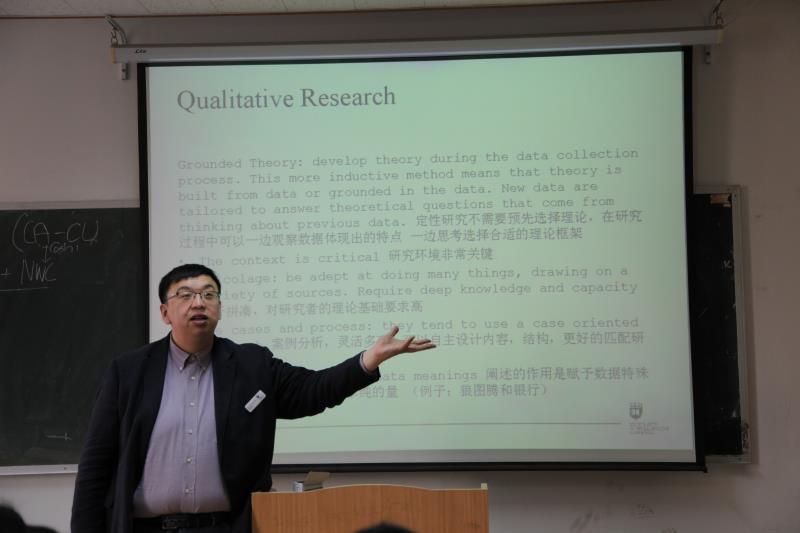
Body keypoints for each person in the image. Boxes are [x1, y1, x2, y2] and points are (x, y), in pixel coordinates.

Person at [71, 264, 435, 533]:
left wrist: (367, 360)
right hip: (146, 528)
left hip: (228, 528)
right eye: (186, 295)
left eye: (209, 294)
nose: (199, 302)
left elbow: (313, 390)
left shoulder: (252, 365)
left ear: (219, 307)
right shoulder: (129, 371)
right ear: (165, 312)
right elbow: (96, 466)